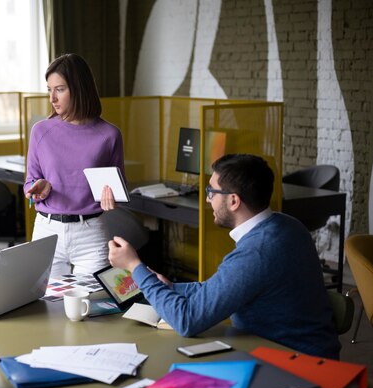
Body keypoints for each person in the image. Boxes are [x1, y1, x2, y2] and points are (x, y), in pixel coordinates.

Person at [109, 154, 341, 359]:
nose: (207, 198)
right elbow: (220, 288)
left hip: (294, 365)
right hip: (302, 352)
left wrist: (134, 265)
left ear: (233, 201)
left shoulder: (256, 253)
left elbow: (186, 321)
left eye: (211, 191)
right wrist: (171, 287)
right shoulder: (287, 224)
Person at [24, 53, 125, 277]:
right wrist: (37, 188)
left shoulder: (109, 135)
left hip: (91, 234)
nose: (52, 98)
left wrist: (112, 197)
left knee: (92, 305)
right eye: (49, 89)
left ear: (79, 89)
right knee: (46, 305)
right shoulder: (40, 131)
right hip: (46, 230)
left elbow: (118, 187)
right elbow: (29, 183)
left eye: (59, 89)